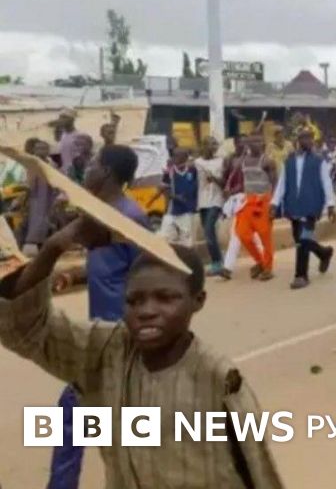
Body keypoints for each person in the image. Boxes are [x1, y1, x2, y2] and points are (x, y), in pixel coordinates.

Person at [0, 219, 283, 487]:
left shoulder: (220, 381)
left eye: (165, 298)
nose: (146, 311)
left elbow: (260, 472)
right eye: (134, 300)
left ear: (197, 301)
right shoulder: (105, 351)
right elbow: (24, 327)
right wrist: (53, 248)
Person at [47, 144, 151, 488]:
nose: (87, 168)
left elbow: (146, 277)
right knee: (74, 417)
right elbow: (107, 265)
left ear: (105, 172)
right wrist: (74, 275)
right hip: (100, 336)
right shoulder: (101, 212)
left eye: (93, 163)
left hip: (119, 338)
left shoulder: (129, 218)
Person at [271, 129, 336, 290]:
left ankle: (301, 275)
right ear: (298, 140)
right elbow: (282, 184)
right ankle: (324, 253)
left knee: (304, 239)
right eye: (305, 138)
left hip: (311, 205)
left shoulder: (319, 161)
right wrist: (274, 203)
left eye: (310, 138)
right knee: (300, 240)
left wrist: (331, 205)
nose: (308, 141)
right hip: (294, 205)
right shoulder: (289, 161)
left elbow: (326, 182)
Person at [233, 136, 277, 281]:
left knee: (265, 237)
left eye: (259, 141)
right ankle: (260, 262)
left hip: (263, 201)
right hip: (247, 201)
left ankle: (268, 268)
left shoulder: (267, 161)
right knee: (242, 233)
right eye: (253, 142)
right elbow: (240, 177)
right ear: (248, 144)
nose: (257, 144)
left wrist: (273, 204)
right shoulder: (243, 160)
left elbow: (275, 183)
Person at [195, 137, 227, 276]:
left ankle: (217, 263)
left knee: (208, 231)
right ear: (204, 146)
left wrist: (214, 178)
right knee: (209, 233)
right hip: (202, 201)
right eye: (211, 144)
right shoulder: (197, 162)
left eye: (215, 144)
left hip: (216, 200)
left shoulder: (221, 162)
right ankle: (219, 259)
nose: (214, 147)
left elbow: (224, 182)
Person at [20, 140, 58, 255]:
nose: (40, 151)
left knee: (48, 224)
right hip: (34, 200)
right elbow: (26, 183)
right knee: (32, 225)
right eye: (38, 148)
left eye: (43, 148)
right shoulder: (30, 164)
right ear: (34, 151)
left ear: (48, 151)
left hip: (49, 200)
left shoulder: (53, 165)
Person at [159, 147, 199, 247]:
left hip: (187, 212)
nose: (174, 158)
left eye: (177, 156)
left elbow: (196, 187)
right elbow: (164, 190)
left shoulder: (192, 170)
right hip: (172, 211)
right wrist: (175, 197)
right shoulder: (169, 172)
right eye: (174, 155)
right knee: (164, 239)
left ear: (185, 157)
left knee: (187, 243)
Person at [55, 108, 82, 172]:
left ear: (72, 119)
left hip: (74, 173)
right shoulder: (62, 135)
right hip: (63, 172)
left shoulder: (79, 136)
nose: (61, 120)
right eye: (60, 117)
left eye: (64, 117)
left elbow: (81, 159)